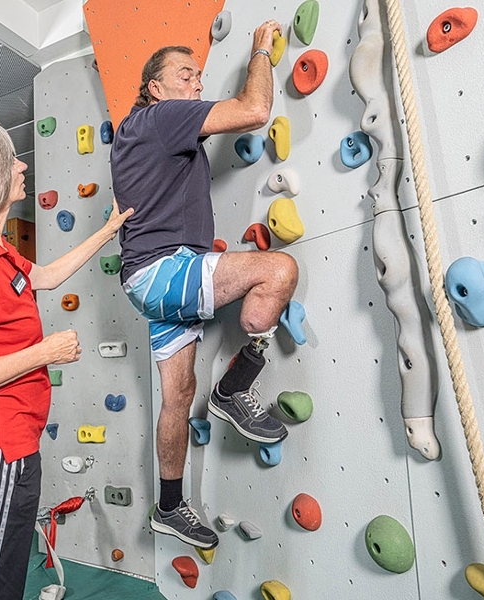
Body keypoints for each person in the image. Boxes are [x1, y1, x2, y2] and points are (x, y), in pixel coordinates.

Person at [0, 119, 132, 600]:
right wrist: (44, 352)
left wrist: (109, 229)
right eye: (12, 157)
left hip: (10, 446)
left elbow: (48, 276)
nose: (22, 165)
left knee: (3, 578)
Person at [109, 20, 299, 549]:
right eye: (185, 74)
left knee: (177, 397)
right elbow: (255, 110)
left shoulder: (138, 132)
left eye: (198, 75)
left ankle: (169, 508)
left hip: (150, 279)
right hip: (165, 268)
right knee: (278, 270)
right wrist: (261, 49)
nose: (196, 83)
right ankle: (236, 388)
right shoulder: (160, 118)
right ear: (155, 88)